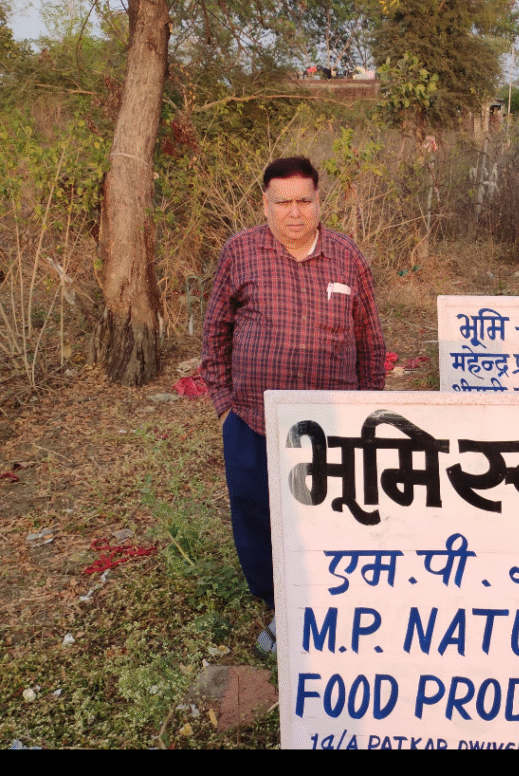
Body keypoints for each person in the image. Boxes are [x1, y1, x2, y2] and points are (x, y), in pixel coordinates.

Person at [202, 156, 386, 654]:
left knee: (331, 515)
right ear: (265, 205)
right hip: (253, 419)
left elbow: (370, 341)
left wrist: (368, 416)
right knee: (257, 512)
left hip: (332, 424)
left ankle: (332, 598)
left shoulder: (347, 256)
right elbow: (215, 330)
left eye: (304, 200)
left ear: (319, 201)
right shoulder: (241, 252)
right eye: (282, 202)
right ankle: (277, 602)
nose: (294, 212)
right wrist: (224, 405)